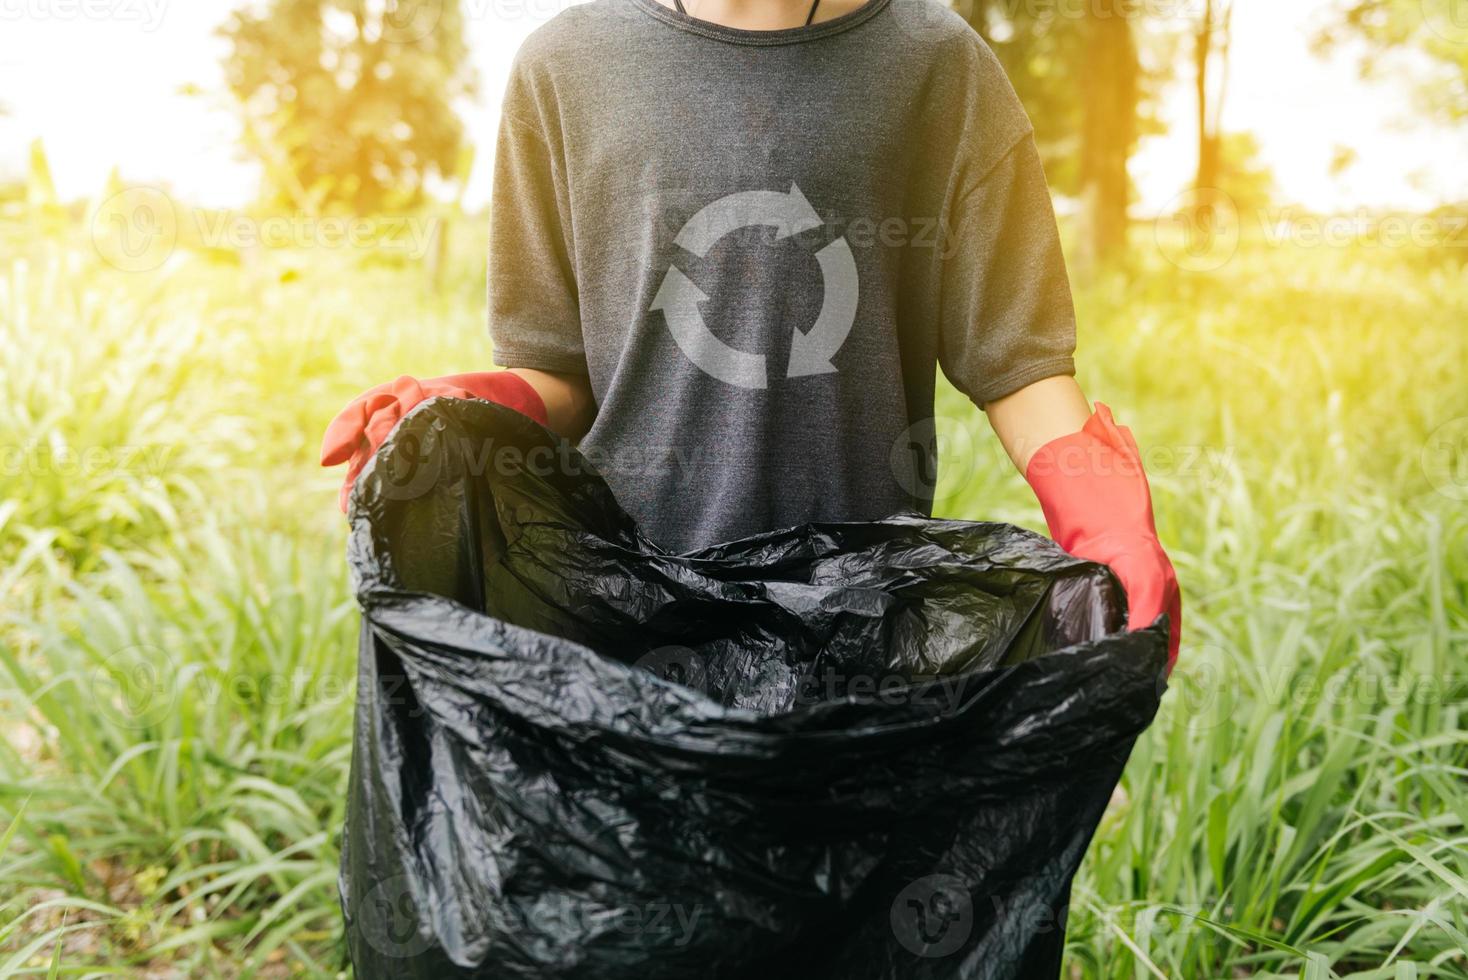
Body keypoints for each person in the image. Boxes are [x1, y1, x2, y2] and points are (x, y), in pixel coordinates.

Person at [321, 0, 1181, 668]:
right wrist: (472, 408)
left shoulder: (937, 65)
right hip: (622, 614)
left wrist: (1104, 522)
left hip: (853, 621)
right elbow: (558, 369)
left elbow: (1018, 366)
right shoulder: (563, 65)